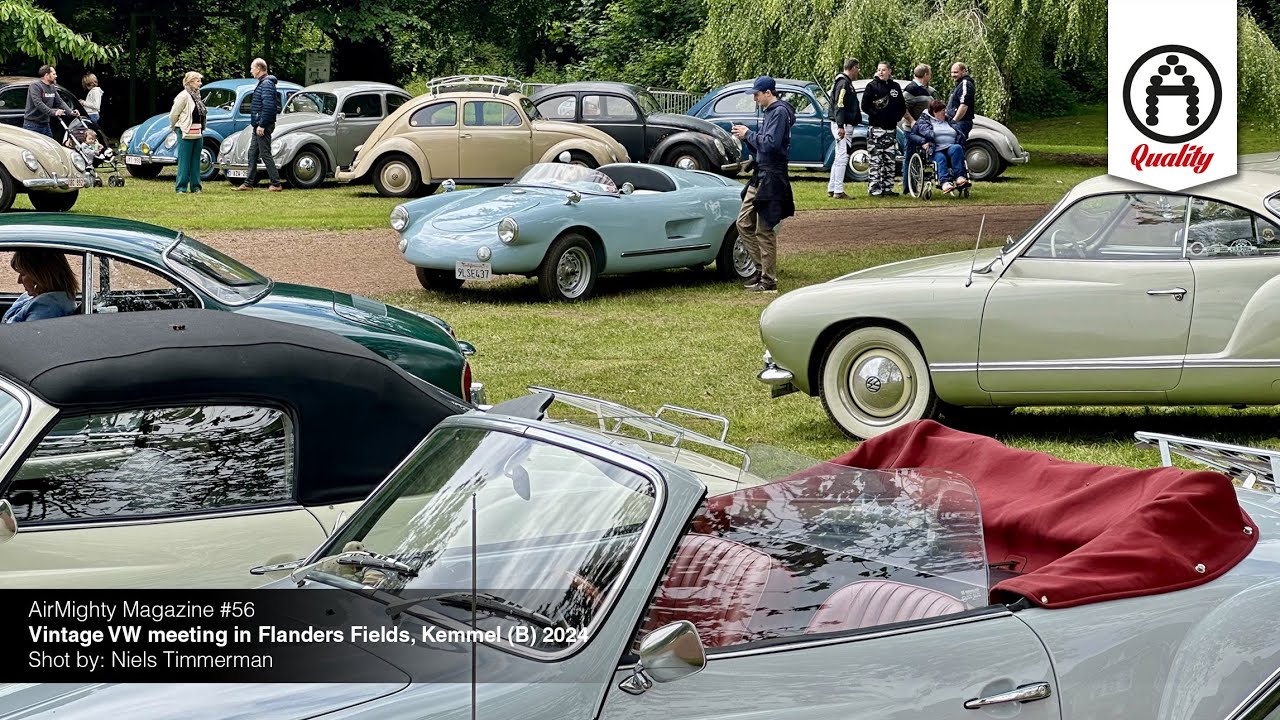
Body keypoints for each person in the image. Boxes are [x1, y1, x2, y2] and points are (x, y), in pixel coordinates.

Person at [730, 76, 795, 294]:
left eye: (757, 95)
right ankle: (761, 271)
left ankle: (768, 281)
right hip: (761, 175)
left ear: (768, 93)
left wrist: (749, 134)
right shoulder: (771, 112)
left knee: (764, 229)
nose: (755, 99)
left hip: (772, 178)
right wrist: (747, 137)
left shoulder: (778, 112)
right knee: (743, 223)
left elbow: (771, 145)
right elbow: (763, 145)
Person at [859, 61, 909, 197]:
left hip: (891, 130)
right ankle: (874, 189)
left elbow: (902, 106)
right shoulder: (871, 86)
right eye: (879, 69)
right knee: (876, 161)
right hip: (876, 129)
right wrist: (877, 115)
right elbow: (865, 106)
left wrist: (896, 117)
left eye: (884, 69)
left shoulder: (895, 87)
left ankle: (887, 188)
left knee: (889, 161)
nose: (881, 72)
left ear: (889, 71)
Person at [235, 57, 282, 192]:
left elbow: (268, 106)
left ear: (259, 69)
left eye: (252, 68)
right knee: (252, 152)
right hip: (259, 125)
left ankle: (276, 183)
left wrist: (262, 124)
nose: (251, 71)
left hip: (263, 125)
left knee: (265, 153)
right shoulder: (263, 83)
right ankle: (248, 183)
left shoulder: (266, 84)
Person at [909, 99, 969, 193]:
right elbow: (912, 136)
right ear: (934, 112)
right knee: (940, 157)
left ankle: (959, 177)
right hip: (934, 149)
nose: (944, 113)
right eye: (941, 111)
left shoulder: (949, 121)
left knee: (957, 148)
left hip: (950, 147)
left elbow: (960, 133)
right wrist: (923, 142)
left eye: (944, 111)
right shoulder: (923, 122)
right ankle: (944, 182)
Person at [3, 249, 78, 324]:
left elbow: (29, 334)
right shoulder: (33, 297)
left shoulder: (47, 307)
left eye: (23, 274)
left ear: (39, 276)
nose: (19, 281)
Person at [827, 57, 860, 199]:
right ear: (853, 68)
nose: (858, 71)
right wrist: (841, 126)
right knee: (843, 157)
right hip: (843, 125)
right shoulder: (844, 83)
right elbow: (840, 105)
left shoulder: (844, 82)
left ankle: (832, 187)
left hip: (842, 124)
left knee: (838, 156)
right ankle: (838, 190)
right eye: (857, 68)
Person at [168, 71, 206, 194]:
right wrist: (174, 126)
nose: (200, 83)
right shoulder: (183, 96)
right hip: (185, 131)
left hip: (198, 131)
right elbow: (174, 113)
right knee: (184, 161)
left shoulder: (197, 95)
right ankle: (181, 187)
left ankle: (196, 187)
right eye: (198, 81)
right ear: (190, 82)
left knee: (196, 160)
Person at [23, 65, 76, 138]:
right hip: (32, 125)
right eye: (54, 74)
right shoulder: (35, 86)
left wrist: (71, 112)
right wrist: (53, 113)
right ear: (46, 75)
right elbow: (38, 103)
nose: (56, 76)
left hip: (45, 124)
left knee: (51, 146)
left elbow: (59, 102)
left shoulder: (52, 87)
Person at [946, 62, 977, 136]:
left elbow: (964, 105)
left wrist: (954, 121)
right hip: (958, 122)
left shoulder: (965, 84)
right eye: (952, 72)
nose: (953, 75)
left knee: (957, 145)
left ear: (963, 71)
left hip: (961, 122)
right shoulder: (960, 84)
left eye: (956, 72)